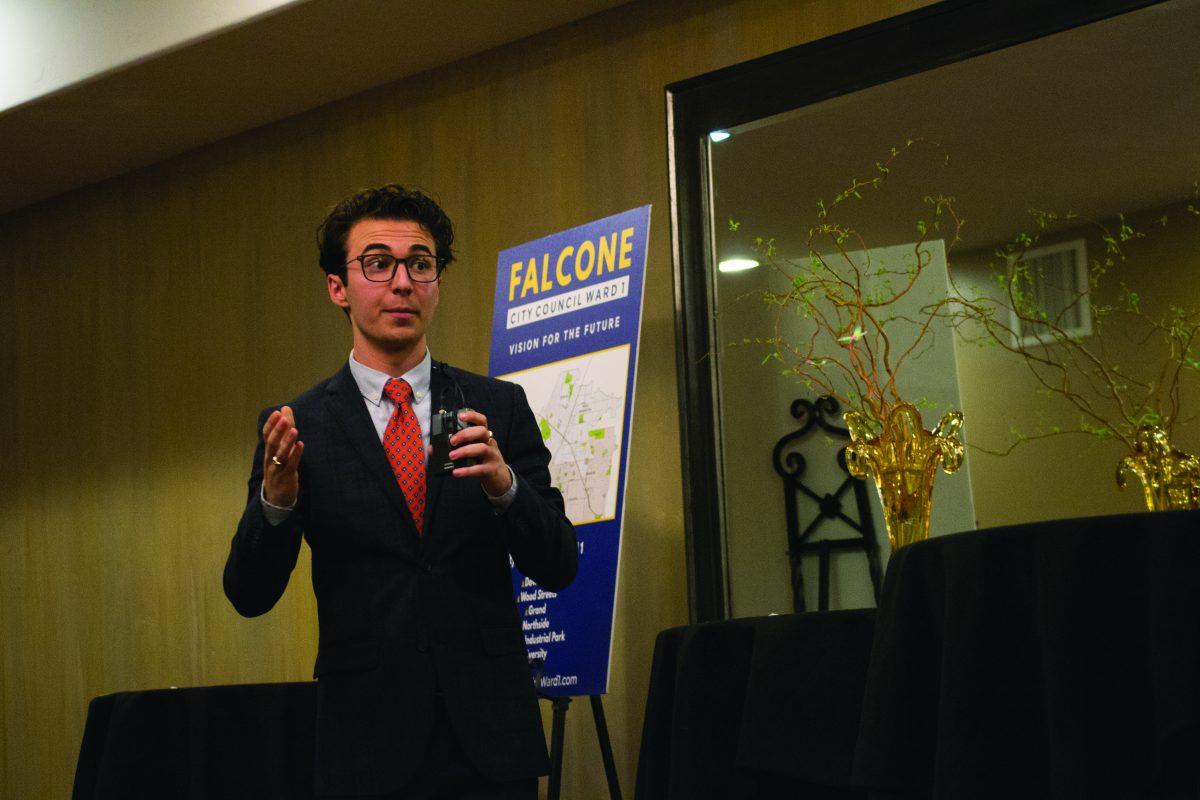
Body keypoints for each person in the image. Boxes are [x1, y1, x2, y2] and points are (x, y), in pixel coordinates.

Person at [223, 185, 577, 799]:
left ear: (437, 280)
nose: (403, 282)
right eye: (377, 263)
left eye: (421, 263)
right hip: (365, 744)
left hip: (490, 741)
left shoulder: (497, 406)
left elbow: (559, 564)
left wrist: (505, 487)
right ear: (339, 287)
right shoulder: (299, 427)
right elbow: (249, 594)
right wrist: (275, 501)